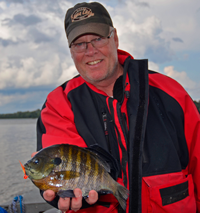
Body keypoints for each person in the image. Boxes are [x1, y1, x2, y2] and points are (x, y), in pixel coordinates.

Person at [35, 2, 200, 213]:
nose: (90, 51)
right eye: (79, 44)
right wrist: (62, 193)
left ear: (114, 38)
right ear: (71, 51)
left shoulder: (170, 93)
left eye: (97, 39)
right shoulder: (59, 103)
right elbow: (58, 168)